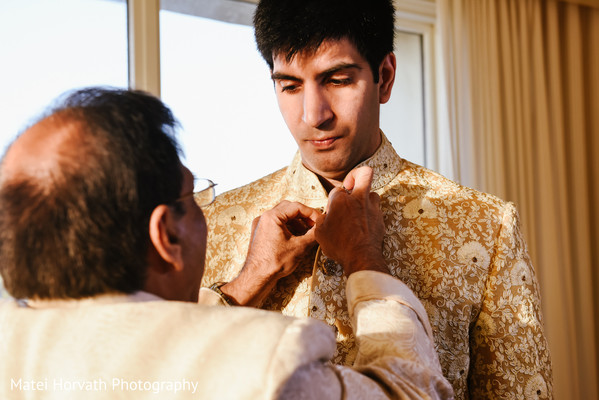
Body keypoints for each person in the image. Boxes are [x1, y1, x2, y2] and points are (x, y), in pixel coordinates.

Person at [0, 87, 453, 399]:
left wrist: (254, 277)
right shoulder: (266, 367)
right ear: (168, 234)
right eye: (192, 196)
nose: (314, 114)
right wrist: (365, 257)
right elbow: (410, 391)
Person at [201, 0, 553, 398]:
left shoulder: (488, 225)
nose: (313, 115)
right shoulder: (215, 222)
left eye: (336, 80)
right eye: (290, 86)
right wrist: (249, 281)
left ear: (384, 77)